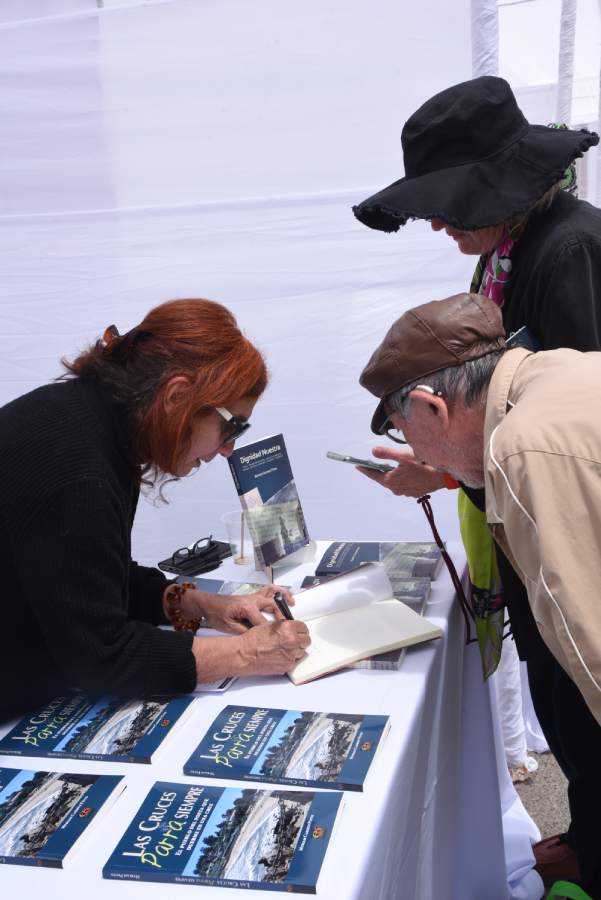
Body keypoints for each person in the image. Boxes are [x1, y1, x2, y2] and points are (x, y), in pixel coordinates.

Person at [353, 75, 601, 885]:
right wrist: (448, 462)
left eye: (447, 202)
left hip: (565, 518)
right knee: (559, 697)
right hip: (521, 508)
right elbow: (488, 407)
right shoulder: (508, 249)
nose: (434, 221)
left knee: (580, 681)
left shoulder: (566, 250)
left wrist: (451, 465)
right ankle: (593, 833)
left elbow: (549, 437)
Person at [360, 291, 601, 898]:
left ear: (430, 406)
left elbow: (587, 639)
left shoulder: (521, 449)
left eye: (403, 428)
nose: (412, 448)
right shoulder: (561, 368)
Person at [0, 298, 310, 723]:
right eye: (231, 425)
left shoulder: (88, 419)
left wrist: (198, 605)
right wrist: (246, 652)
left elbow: (89, 579)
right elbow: (102, 655)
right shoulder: (78, 469)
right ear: (177, 395)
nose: (227, 449)